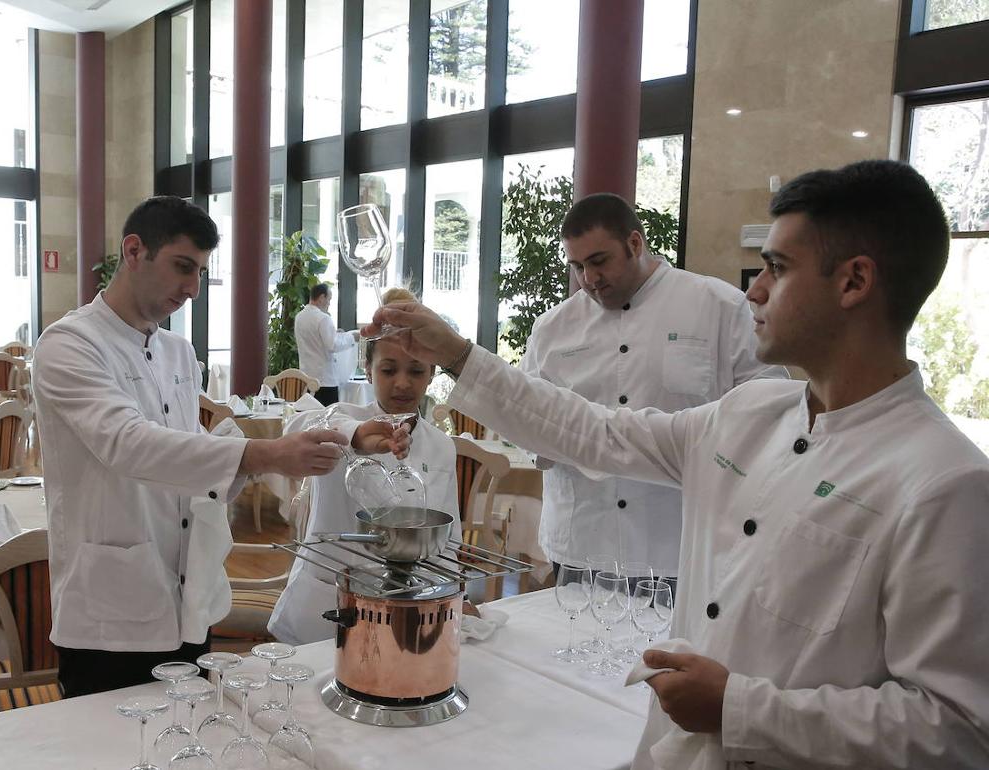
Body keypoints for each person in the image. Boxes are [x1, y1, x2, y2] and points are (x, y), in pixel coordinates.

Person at [366, 161, 989, 768]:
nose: (755, 289)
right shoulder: (748, 414)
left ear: (854, 282)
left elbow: (960, 731)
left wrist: (739, 708)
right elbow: (592, 430)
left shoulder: (943, 482)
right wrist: (455, 352)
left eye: (777, 267)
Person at [32, 196, 404, 698]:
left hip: (190, 594)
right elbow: (128, 445)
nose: (192, 288)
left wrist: (347, 436)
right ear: (134, 250)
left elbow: (192, 464)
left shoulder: (178, 352)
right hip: (109, 606)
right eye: (182, 266)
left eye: (200, 272)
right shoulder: (69, 344)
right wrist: (265, 454)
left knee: (188, 729)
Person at [520, 193, 783, 580]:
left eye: (599, 261)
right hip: (582, 544)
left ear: (634, 243)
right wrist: (545, 443)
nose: (589, 280)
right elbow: (526, 416)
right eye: (577, 267)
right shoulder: (552, 329)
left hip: (681, 546)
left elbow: (767, 405)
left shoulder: (718, 305)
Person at [269, 288, 463, 644]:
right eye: (388, 369)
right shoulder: (343, 419)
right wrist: (355, 435)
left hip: (407, 611)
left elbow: (447, 539)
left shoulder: (441, 446)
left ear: (432, 373)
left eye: (416, 370)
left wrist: (454, 602)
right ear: (368, 371)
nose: (402, 382)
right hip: (327, 610)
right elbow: (295, 428)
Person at [294, 283, 360, 405]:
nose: (329, 303)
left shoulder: (299, 317)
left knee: (310, 416)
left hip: (306, 377)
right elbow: (332, 345)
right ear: (321, 297)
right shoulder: (323, 318)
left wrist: (334, 334)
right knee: (329, 419)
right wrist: (352, 337)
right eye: (329, 299)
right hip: (325, 380)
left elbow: (314, 340)